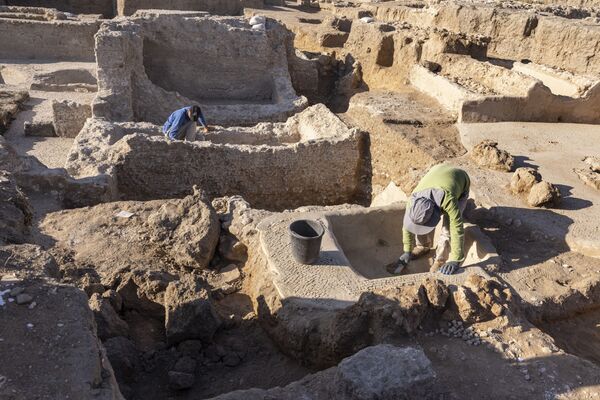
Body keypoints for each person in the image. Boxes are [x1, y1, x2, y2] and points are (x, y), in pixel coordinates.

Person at [391, 163, 470, 276]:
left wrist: (456, 259)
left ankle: (440, 260)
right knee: (419, 221)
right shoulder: (413, 200)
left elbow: (456, 228)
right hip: (437, 170)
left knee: (447, 229)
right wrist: (407, 250)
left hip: (460, 179)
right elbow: (407, 227)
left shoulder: (449, 201)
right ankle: (423, 247)